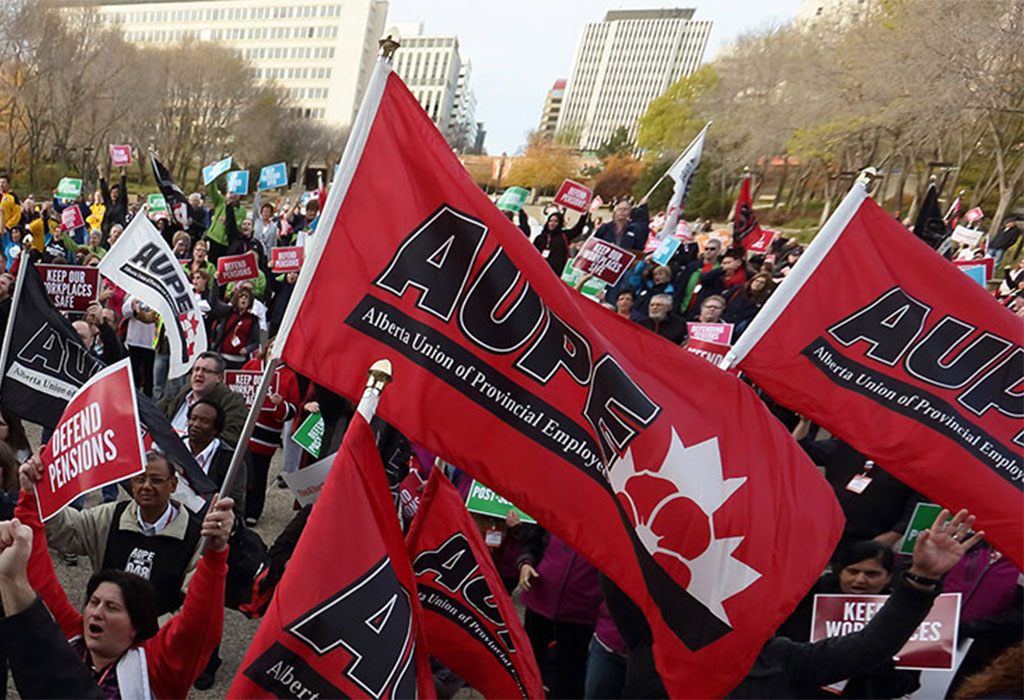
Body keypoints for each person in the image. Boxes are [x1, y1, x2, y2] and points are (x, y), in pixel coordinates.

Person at [606, 508, 984, 698]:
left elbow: (872, 645)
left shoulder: (785, 662)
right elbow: (615, 562)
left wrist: (922, 579)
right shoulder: (653, 638)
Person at [0, 467, 234, 699]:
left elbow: (197, 626)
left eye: (112, 607)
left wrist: (215, 555)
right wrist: (31, 496)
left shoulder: (153, 669)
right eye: (94, 602)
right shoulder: (72, 636)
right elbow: (39, 577)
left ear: (136, 626)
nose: (96, 613)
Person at [39, 452, 203, 616]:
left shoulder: (195, 536)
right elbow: (68, 530)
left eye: (156, 480)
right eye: (140, 479)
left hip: (156, 638)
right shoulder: (110, 516)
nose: (146, 486)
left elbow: (192, 606)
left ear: (173, 484)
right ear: (132, 483)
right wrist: (42, 488)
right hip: (103, 631)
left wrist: (152, 637)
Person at [775, 540, 920, 697]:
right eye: (853, 571)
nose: (860, 580)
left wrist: (877, 659)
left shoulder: (903, 614)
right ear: (840, 572)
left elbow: (907, 682)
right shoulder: (807, 600)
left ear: (888, 577)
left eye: (872, 574)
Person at [517, 528, 602, 699]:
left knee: (569, 680)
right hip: (540, 601)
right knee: (526, 667)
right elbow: (533, 542)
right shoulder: (560, 511)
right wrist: (526, 563)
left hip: (580, 614)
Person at [242, 339, 300, 527]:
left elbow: (292, 410)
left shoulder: (289, 376)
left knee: (258, 476)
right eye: (273, 346)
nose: (275, 350)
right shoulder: (252, 365)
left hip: (266, 437)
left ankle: (252, 511)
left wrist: (279, 404)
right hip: (244, 431)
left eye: (280, 347)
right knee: (238, 473)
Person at [159, 351, 248, 447]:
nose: (199, 374)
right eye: (196, 369)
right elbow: (153, 415)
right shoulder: (178, 394)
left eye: (206, 371)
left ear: (219, 378)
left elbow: (231, 437)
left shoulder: (232, 401)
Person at [186, 399, 246, 519]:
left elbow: (235, 505)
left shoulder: (231, 460)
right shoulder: (173, 450)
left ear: (216, 430)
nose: (196, 424)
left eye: (204, 421)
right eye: (193, 418)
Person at [212, 286, 261, 369]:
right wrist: (215, 283)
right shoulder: (227, 312)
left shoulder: (252, 319)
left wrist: (247, 349)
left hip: (240, 361)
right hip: (223, 358)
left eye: (247, 297)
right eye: (241, 296)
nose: (244, 299)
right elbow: (214, 302)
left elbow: (256, 342)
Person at [121, 296, 158, 397]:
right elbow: (125, 311)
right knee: (134, 370)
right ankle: (133, 394)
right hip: (134, 341)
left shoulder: (157, 296)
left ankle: (148, 396)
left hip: (151, 342)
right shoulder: (135, 295)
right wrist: (133, 306)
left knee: (148, 373)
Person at [674, 238, 722, 312]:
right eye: (706, 249)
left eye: (712, 249)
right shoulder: (692, 266)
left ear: (719, 251)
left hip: (703, 308)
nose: (708, 251)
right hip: (684, 306)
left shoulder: (719, 269)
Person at [533, 210, 586, 275]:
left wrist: (584, 213)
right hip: (541, 270)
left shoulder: (564, 235)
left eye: (555, 221)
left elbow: (578, 228)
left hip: (558, 272)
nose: (552, 223)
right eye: (551, 221)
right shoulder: (540, 238)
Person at [97, 164, 127, 242]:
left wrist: (123, 173)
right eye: (112, 192)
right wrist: (101, 174)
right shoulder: (108, 203)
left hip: (119, 231)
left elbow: (123, 188)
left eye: (116, 192)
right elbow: (104, 189)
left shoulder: (121, 204)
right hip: (107, 232)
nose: (114, 194)